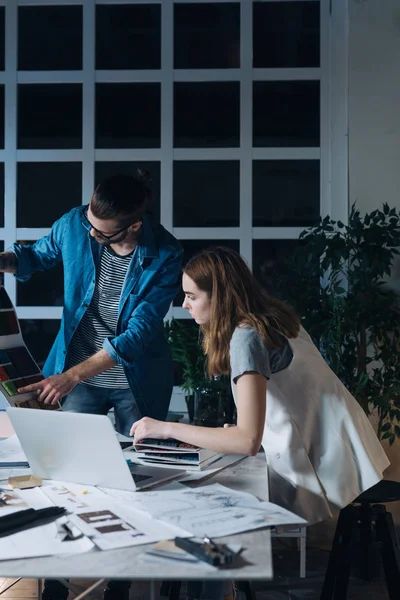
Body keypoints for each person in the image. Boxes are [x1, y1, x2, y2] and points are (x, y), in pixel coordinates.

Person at [130, 246, 390, 599]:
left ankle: (210, 590)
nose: (185, 305)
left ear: (218, 296)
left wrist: (165, 427)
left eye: (191, 296)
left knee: (204, 502)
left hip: (321, 466)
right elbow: (283, 404)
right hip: (347, 453)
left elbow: (247, 440)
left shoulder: (245, 338)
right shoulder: (272, 317)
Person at [0, 172, 183, 600]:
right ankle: (57, 584)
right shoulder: (76, 223)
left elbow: (137, 334)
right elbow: (35, 258)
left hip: (134, 383)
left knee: (132, 484)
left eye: (100, 232)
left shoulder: (166, 254)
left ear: (133, 226)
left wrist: (72, 375)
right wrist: (5, 260)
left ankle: (118, 584)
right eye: (88, 222)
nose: (89, 232)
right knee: (67, 479)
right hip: (77, 376)